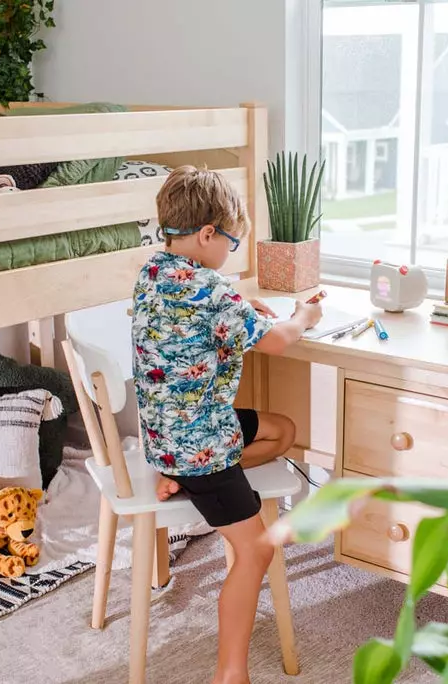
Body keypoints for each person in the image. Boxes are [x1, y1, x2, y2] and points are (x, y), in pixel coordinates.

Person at [131, 166, 321, 684]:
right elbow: (279, 341)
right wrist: (302, 317)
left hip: (166, 434)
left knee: (282, 431)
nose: (229, 256)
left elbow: (195, 324)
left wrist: (244, 311)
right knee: (257, 549)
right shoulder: (213, 292)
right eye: (231, 244)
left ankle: (182, 480)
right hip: (200, 445)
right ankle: (230, 673)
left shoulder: (152, 271)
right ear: (208, 234)